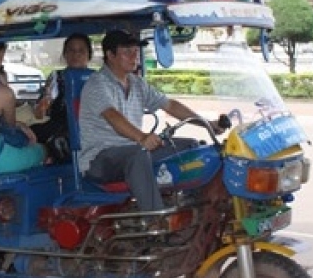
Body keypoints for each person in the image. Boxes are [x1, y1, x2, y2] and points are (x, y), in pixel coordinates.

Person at [78, 30, 223, 212]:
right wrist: (142, 137)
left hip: (134, 149)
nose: (134, 57)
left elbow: (169, 105)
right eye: (127, 52)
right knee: (138, 155)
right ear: (110, 55)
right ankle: (155, 218)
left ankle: (191, 208)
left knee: (191, 147)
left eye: (136, 52)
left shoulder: (136, 83)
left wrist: (207, 124)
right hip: (99, 158)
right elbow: (113, 116)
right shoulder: (97, 84)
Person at [0, 42, 45, 173]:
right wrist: (6, 86)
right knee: (42, 150)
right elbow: (10, 127)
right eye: (0, 60)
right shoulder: (2, 93)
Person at [30, 33, 93, 160]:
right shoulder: (56, 77)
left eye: (81, 50)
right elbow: (39, 114)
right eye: (71, 50)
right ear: (65, 54)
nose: (76, 54)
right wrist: (45, 99)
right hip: (58, 125)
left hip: (89, 128)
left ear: (89, 55)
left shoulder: (97, 79)